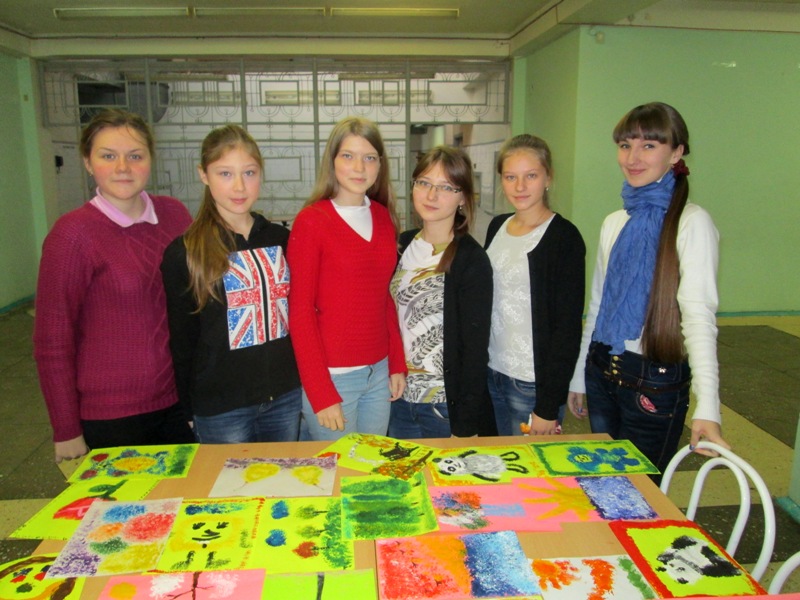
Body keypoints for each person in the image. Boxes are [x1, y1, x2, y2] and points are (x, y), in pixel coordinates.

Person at [567, 102, 729, 475]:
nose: (633, 158)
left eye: (649, 146)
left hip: (654, 383)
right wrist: (579, 376)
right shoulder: (614, 221)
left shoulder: (691, 223)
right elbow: (598, 306)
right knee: (605, 485)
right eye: (625, 145)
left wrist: (708, 407)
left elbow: (699, 316)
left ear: (676, 153)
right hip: (603, 370)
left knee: (640, 495)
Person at [33, 109, 195, 464]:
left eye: (135, 156)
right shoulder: (73, 234)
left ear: (150, 160)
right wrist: (66, 430)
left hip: (179, 404)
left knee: (184, 497)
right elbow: (52, 341)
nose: (123, 167)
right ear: (88, 163)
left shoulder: (175, 216)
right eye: (108, 156)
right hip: (112, 416)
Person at [160, 125, 301, 443]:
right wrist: (188, 409)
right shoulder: (185, 252)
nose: (239, 186)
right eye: (225, 173)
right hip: (222, 407)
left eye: (249, 173)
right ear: (204, 174)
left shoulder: (282, 240)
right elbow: (182, 340)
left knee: (283, 474)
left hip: (285, 396)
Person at [287, 116, 406, 441]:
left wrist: (396, 362)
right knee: (339, 469)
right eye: (348, 156)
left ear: (380, 164)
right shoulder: (312, 221)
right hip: (334, 378)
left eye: (370, 157)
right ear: (333, 161)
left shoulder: (382, 216)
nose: (359, 167)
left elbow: (382, 296)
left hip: (378, 373)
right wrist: (320, 392)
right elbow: (299, 312)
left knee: (372, 464)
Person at [389, 146, 496, 439]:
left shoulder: (471, 260)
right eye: (424, 183)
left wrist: (465, 426)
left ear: (463, 197)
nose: (431, 195)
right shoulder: (401, 245)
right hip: (397, 399)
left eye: (446, 187)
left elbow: (475, 349)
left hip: (442, 406)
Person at [485, 134, 586, 436]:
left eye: (530, 176)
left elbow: (567, 328)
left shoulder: (564, 238)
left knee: (530, 466)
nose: (520, 187)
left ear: (548, 178)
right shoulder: (497, 226)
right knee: (495, 462)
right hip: (491, 374)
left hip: (531, 384)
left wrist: (548, 405)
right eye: (510, 177)